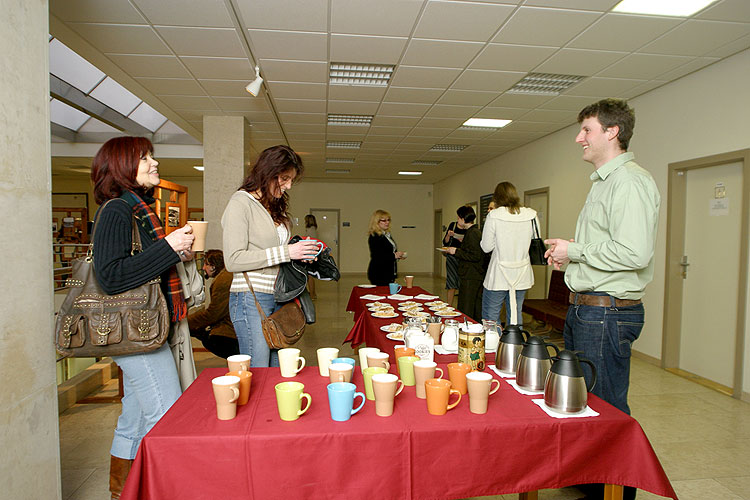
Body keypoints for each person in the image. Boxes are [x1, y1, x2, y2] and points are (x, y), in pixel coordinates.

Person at [545, 98, 659, 500]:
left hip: (606, 313)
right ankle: (591, 479)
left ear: (612, 132)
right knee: (582, 399)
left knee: (606, 408)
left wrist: (575, 252)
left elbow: (634, 253)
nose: (579, 139)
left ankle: (615, 493)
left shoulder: (629, 181)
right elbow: (607, 246)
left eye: (587, 130)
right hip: (589, 308)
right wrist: (570, 255)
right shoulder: (605, 183)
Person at [90, 136, 195, 499]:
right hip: (137, 335)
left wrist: (174, 253)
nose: (154, 163)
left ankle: (123, 490)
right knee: (167, 419)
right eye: (145, 158)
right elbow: (111, 277)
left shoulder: (136, 210)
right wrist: (168, 247)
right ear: (122, 167)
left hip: (146, 330)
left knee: (133, 420)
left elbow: (138, 267)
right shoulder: (118, 209)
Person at [222, 145, 320, 367]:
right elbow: (233, 259)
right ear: (267, 172)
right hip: (250, 297)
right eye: (284, 178)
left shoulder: (275, 206)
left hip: (278, 295)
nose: (288, 186)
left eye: (291, 180)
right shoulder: (241, 203)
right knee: (259, 368)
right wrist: (286, 252)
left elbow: (275, 253)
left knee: (277, 368)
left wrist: (298, 254)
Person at [480, 181, 538, 327]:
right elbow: (535, 241)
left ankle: (494, 348)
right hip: (521, 272)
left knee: (491, 318)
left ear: (497, 197)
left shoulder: (494, 215)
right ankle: (515, 347)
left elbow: (486, 247)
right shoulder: (531, 215)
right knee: (515, 313)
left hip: (498, 274)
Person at [188, 249, 239, 359]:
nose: (203, 268)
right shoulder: (227, 275)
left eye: (206, 264)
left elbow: (213, 313)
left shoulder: (223, 280)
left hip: (230, 333)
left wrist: (186, 322)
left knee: (211, 339)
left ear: (213, 266)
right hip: (235, 329)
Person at [445, 205, 484, 321]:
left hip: (471, 275)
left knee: (467, 306)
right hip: (472, 274)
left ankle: (467, 328)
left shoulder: (472, 233)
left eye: (458, 218)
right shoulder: (473, 232)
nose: (457, 220)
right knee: (473, 306)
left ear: (463, 219)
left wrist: (456, 251)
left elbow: (475, 255)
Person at [367, 209, 406, 286]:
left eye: (388, 220)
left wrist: (397, 256)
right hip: (379, 272)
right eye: (384, 220)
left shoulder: (386, 235)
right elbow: (377, 256)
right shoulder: (375, 236)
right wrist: (394, 256)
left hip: (389, 271)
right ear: (376, 222)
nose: (387, 222)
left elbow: (388, 252)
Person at [442, 218, 466, 306]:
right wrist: (448, 235)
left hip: (463, 257)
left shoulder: (469, 229)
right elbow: (445, 242)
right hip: (451, 257)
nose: (458, 219)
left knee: (461, 283)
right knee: (451, 282)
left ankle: (461, 306)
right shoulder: (453, 225)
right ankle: (449, 305)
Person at [304, 214, 318, 299]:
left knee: (309, 276)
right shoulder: (313, 229)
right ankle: (313, 293)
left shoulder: (310, 230)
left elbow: (309, 241)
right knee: (310, 276)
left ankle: (312, 294)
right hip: (312, 252)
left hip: (310, 253)